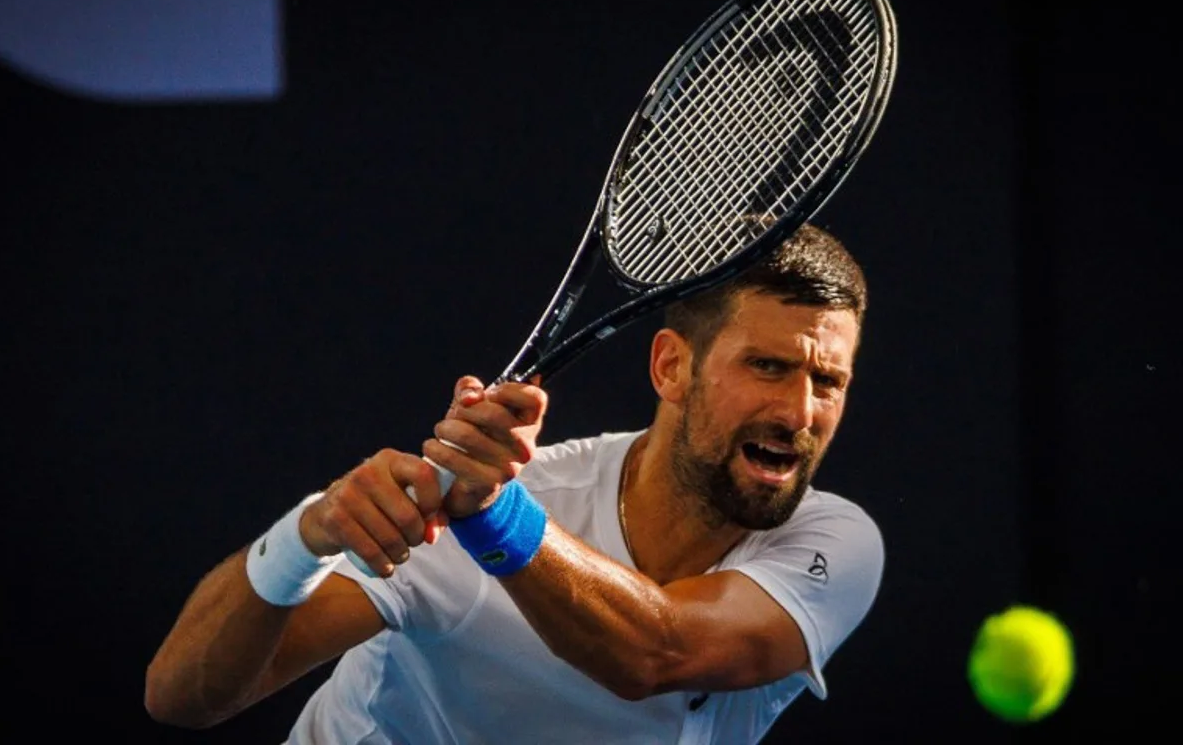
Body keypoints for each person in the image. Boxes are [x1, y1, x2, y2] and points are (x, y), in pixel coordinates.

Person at [144, 222, 884, 744]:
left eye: (829, 380)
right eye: (768, 367)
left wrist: (496, 516)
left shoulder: (835, 543)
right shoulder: (456, 526)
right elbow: (184, 697)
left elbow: (660, 653)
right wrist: (305, 538)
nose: (799, 412)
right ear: (671, 368)